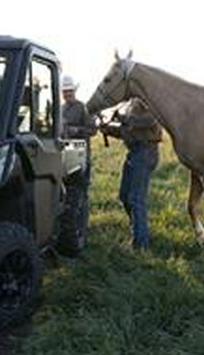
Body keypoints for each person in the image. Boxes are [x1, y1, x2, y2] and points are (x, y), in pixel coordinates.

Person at [101, 98, 162, 250]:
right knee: (125, 195)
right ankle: (139, 229)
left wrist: (120, 117)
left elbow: (150, 121)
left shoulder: (147, 101)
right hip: (134, 151)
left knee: (136, 198)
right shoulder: (127, 105)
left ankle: (140, 244)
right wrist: (107, 127)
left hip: (145, 151)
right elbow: (126, 131)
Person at [60, 74, 97, 181]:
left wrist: (78, 130)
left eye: (69, 91)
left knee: (80, 186)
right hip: (66, 155)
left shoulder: (83, 108)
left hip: (80, 154)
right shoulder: (61, 109)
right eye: (65, 91)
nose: (67, 94)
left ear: (74, 91)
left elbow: (93, 130)